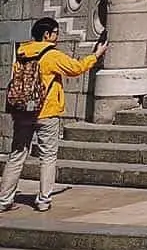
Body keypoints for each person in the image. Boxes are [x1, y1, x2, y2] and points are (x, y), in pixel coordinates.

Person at [0, 18, 107, 212]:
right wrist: (96, 55)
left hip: (22, 112)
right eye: (55, 33)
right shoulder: (51, 55)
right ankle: (43, 200)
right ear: (46, 34)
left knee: (16, 155)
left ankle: (4, 199)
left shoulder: (21, 53)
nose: (57, 37)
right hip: (46, 112)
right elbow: (76, 68)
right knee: (47, 157)